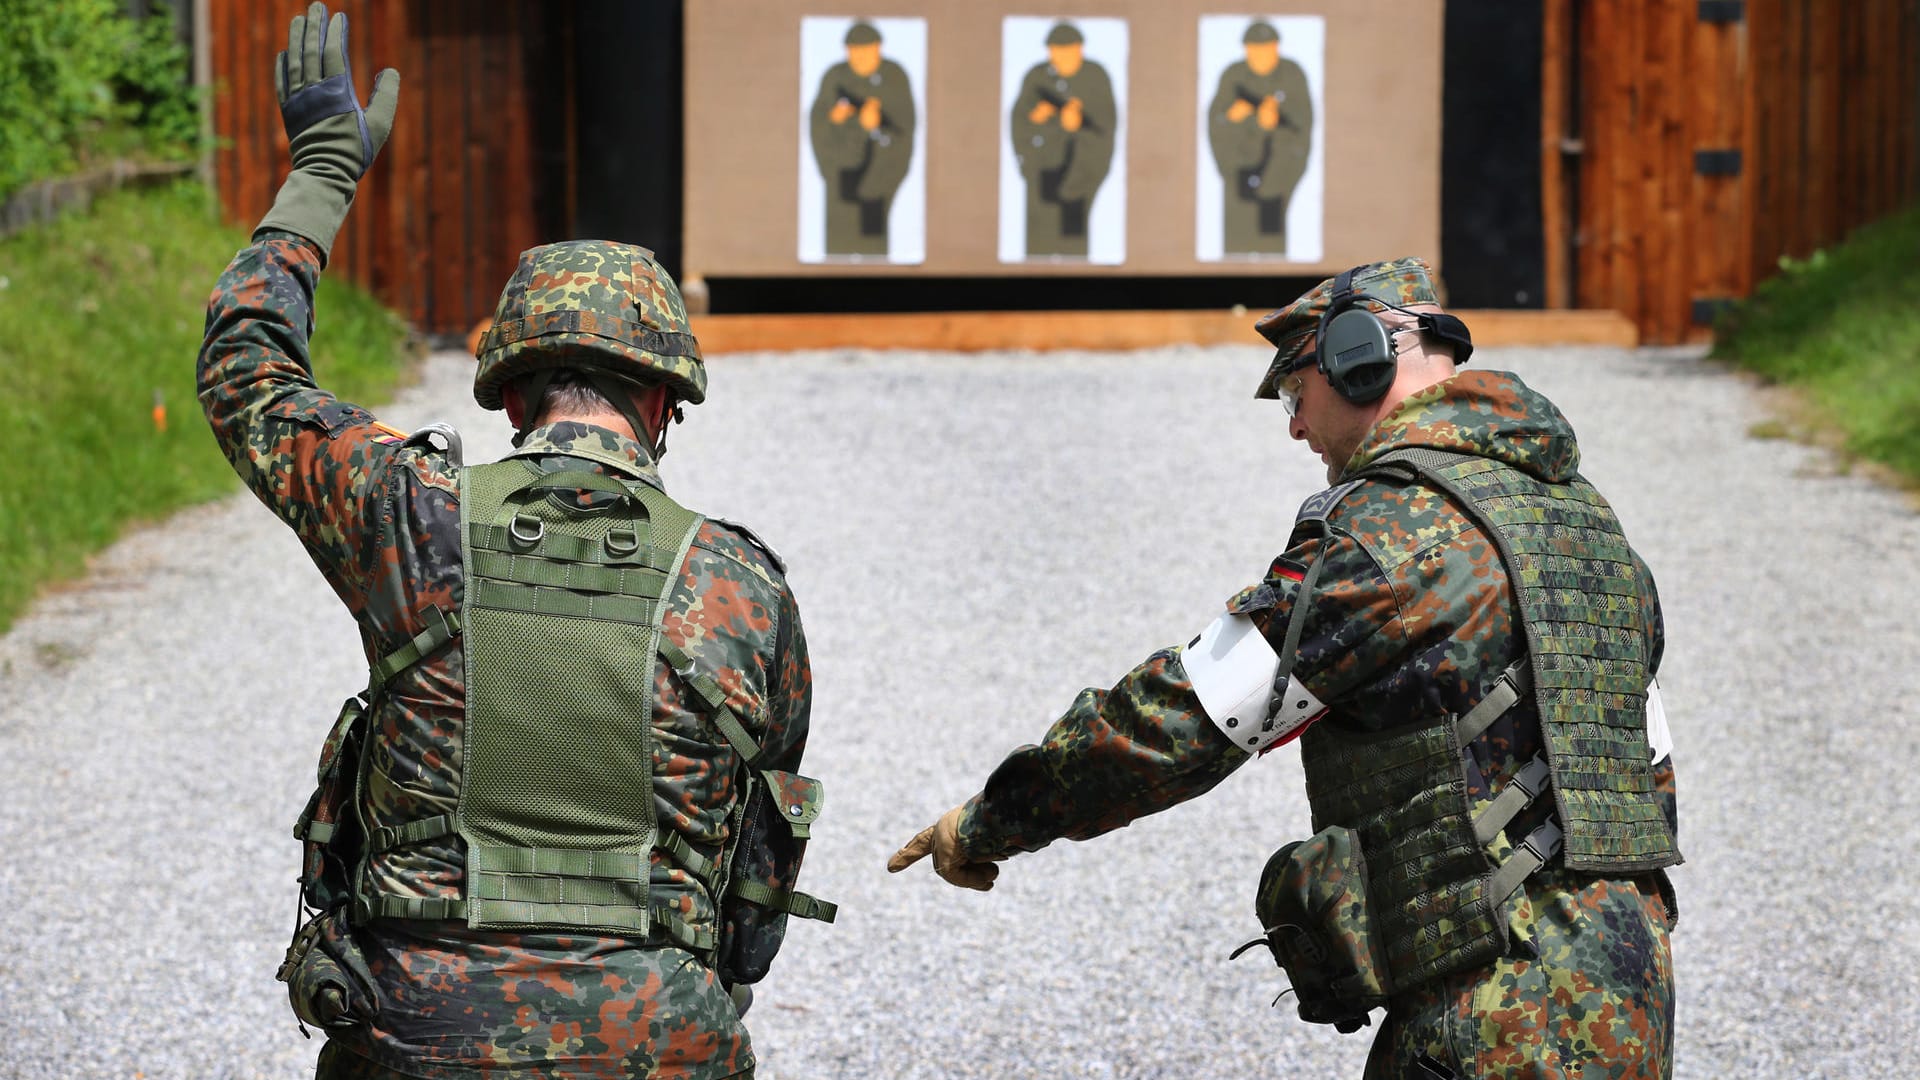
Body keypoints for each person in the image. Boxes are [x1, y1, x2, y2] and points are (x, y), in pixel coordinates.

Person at [201, 7, 829, 1077]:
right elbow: (757, 873)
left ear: (512, 398)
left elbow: (246, 372)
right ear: (665, 406)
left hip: (414, 1036)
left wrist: (319, 174)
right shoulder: (742, 587)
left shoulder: (408, 513)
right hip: (656, 1035)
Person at [889, 257, 1681, 1079]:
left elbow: (1184, 720)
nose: (1295, 428)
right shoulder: (1582, 517)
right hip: (1630, 984)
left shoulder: (1388, 538)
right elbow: (1646, 766)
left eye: (1296, 394)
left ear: (1356, 359)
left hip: (1496, 1010)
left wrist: (989, 822)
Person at [808, 20, 917, 257]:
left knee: (872, 251)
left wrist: (876, 126)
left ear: (878, 48)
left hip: (877, 179)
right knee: (837, 250)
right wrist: (834, 120)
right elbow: (817, 122)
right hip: (840, 177)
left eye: (865, 50)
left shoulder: (894, 77)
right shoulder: (834, 77)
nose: (859, 58)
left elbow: (906, 129)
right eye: (853, 51)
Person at [1206, 20, 1313, 256]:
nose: (1260, 56)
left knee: (1271, 248)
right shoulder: (1233, 75)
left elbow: (1303, 124)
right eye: (1254, 50)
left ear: (1276, 47)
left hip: (1275, 176)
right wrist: (1236, 117)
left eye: (1266, 49)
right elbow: (1216, 121)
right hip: (1238, 174)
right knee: (1236, 248)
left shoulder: (1292, 75)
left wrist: (1275, 119)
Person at [1009, 22, 1116, 258]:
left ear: (1079, 50)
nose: (1059, 58)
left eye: (1066, 52)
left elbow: (1106, 126)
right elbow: (1018, 121)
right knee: (1038, 247)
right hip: (1042, 171)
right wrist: (1037, 120)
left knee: (1073, 248)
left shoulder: (1095, 77)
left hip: (1079, 173)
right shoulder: (1037, 76)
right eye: (1055, 52)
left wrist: (1078, 125)